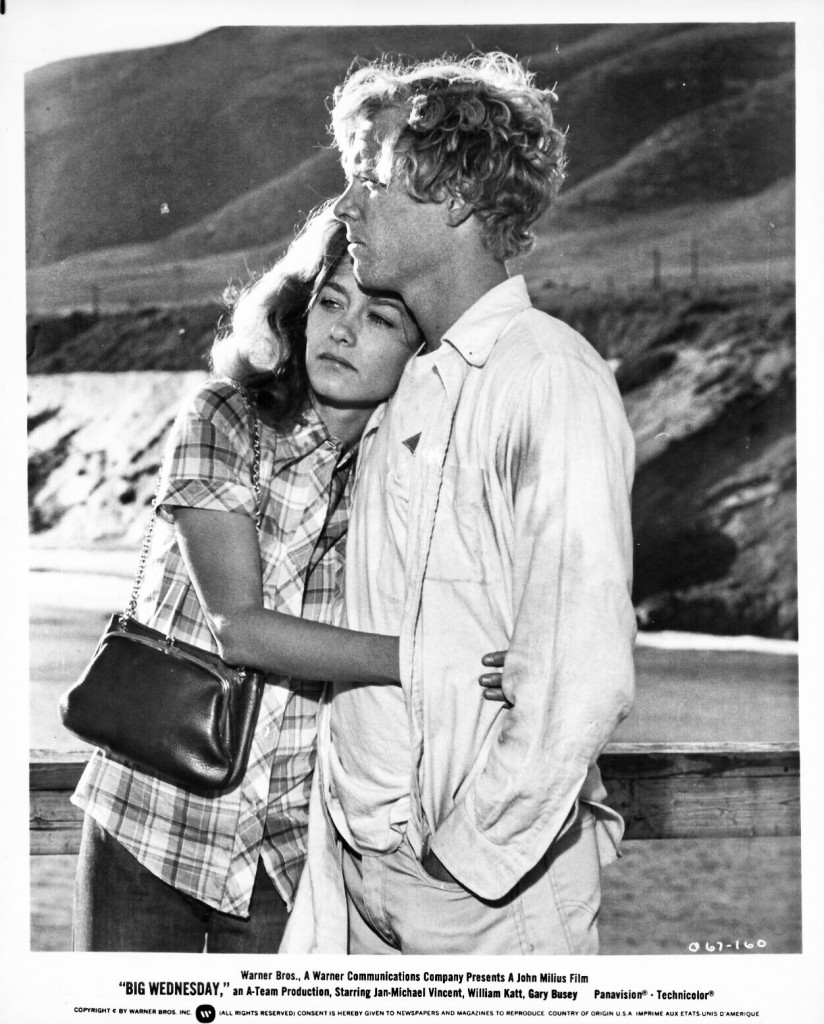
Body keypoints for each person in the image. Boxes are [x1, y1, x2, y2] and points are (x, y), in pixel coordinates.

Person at [285, 52, 636, 955]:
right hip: (362, 889)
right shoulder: (404, 379)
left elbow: (581, 671)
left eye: (368, 180)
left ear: (452, 196)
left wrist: (463, 866)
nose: (345, 206)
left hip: (480, 906)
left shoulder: (546, 376)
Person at [70, 203, 426, 952]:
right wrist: (426, 660)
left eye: (380, 318)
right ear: (301, 310)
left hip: (290, 854)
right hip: (150, 818)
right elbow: (240, 628)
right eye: (331, 301)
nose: (343, 330)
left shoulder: (407, 475)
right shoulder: (225, 417)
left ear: (420, 350)